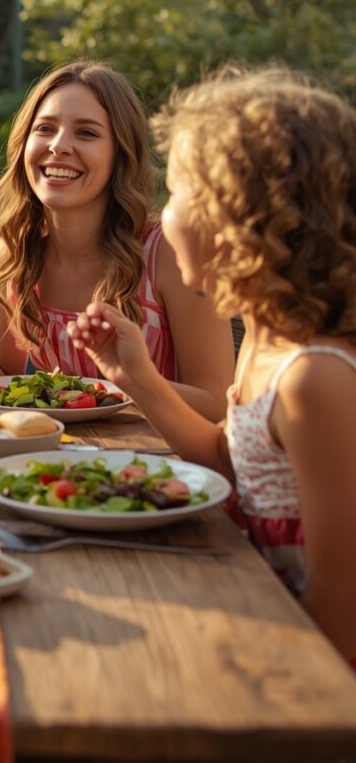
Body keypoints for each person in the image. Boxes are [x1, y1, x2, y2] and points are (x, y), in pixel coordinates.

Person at [66, 68, 356, 661]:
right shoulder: (263, 336)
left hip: (307, 669)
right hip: (257, 601)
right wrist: (135, 378)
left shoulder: (314, 378)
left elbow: (341, 606)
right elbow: (228, 457)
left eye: (179, 194)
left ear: (240, 219)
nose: (163, 217)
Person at [0, 60, 232, 420]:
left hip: (160, 464)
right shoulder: (13, 252)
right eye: (45, 129)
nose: (59, 146)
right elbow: (10, 391)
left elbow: (217, 404)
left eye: (86, 133)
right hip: (60, 462)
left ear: (120, 154)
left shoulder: (171, 253)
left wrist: (123, 383)